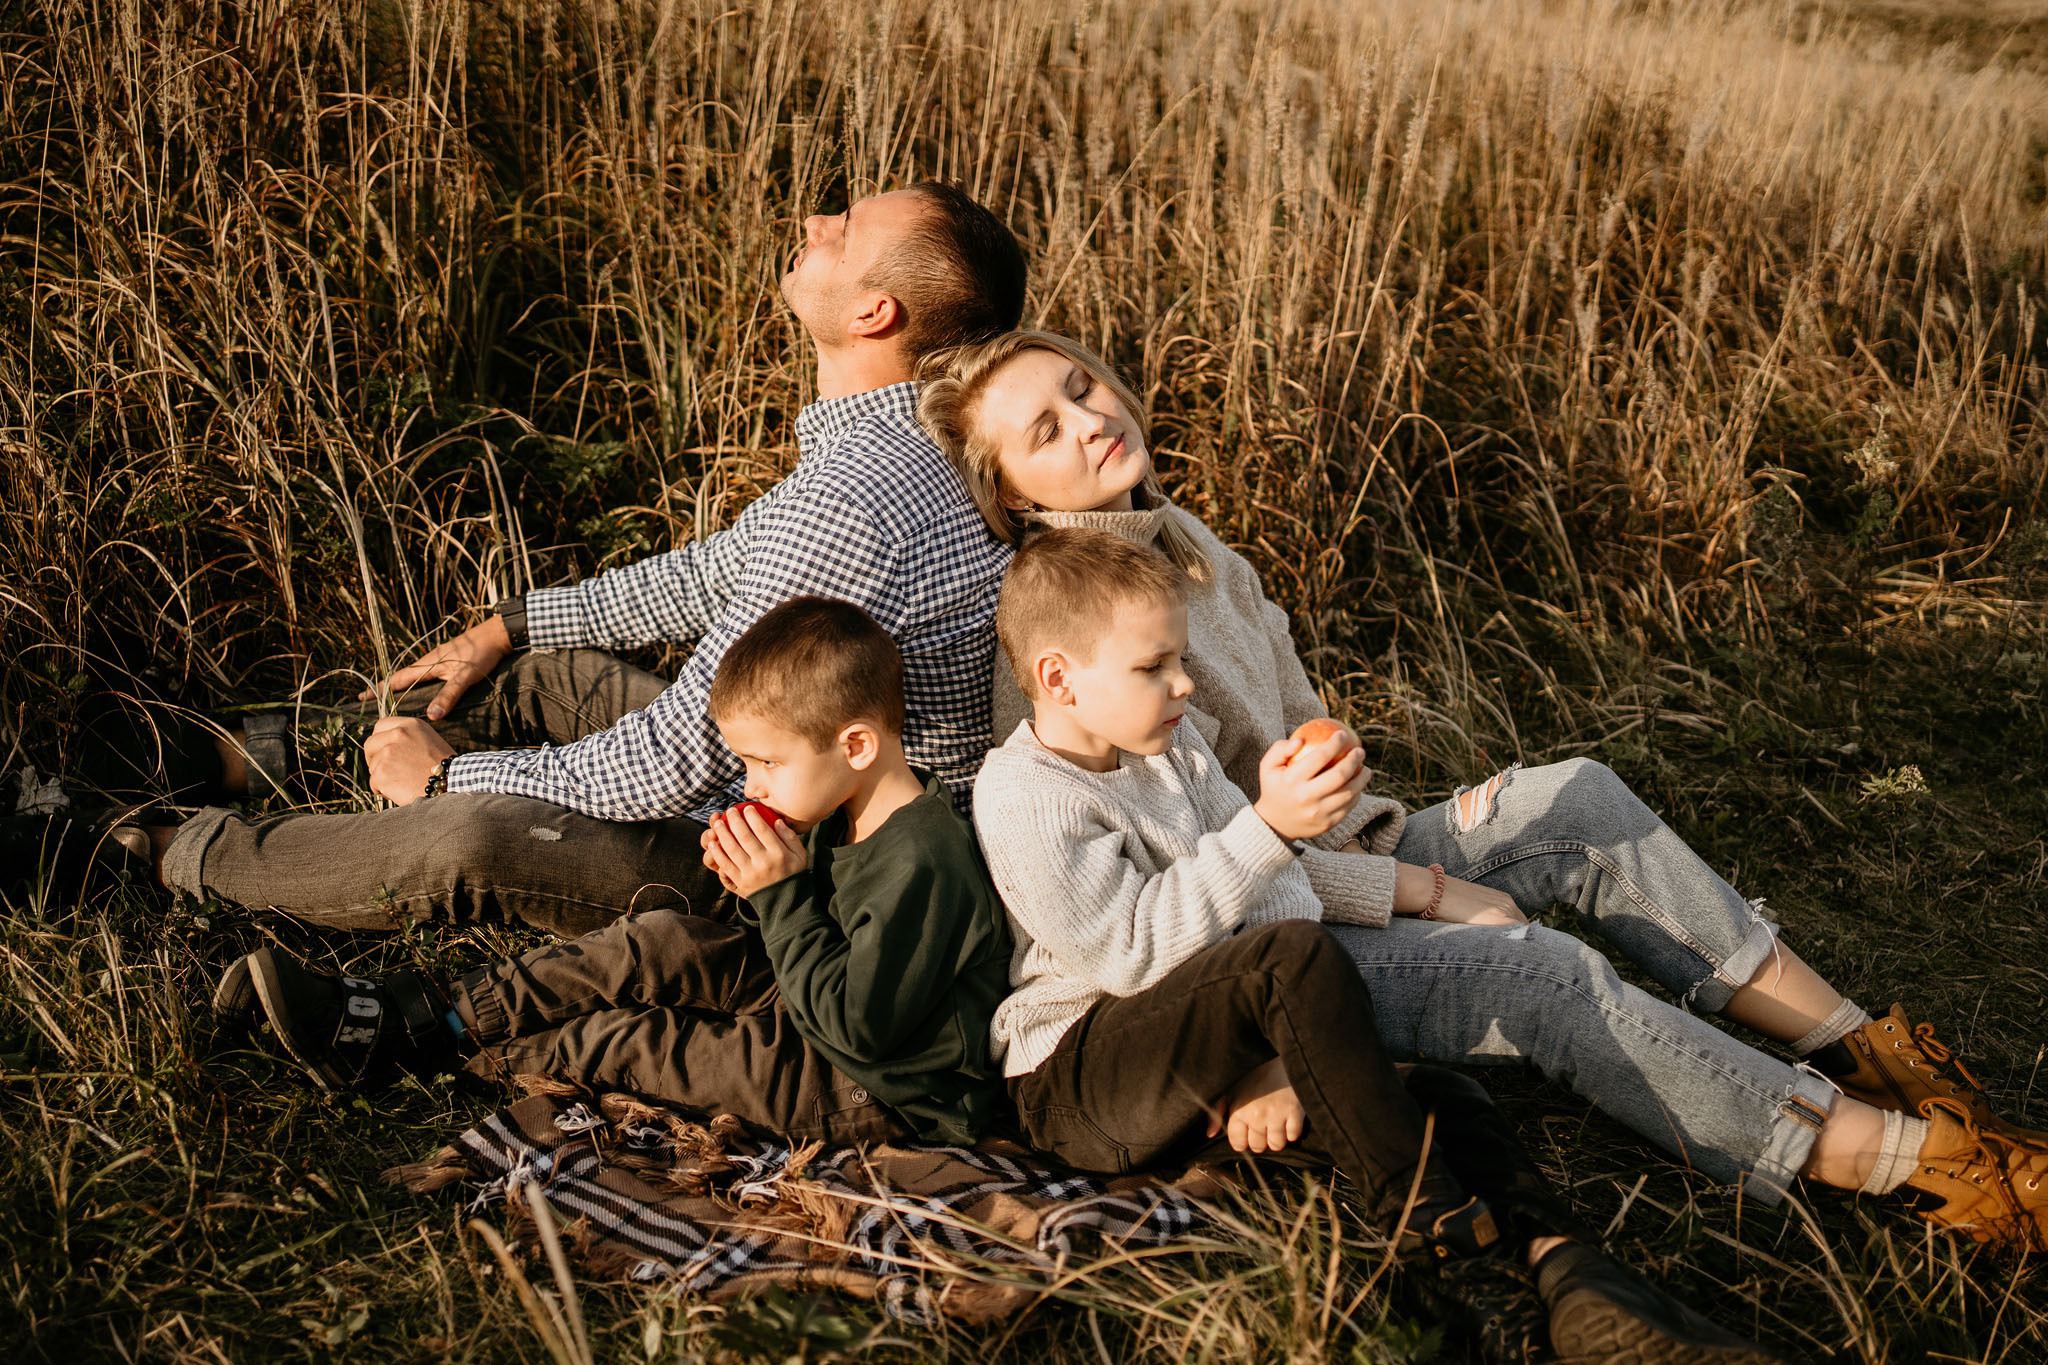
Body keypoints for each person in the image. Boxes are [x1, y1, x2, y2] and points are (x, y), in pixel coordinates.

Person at [916, 328, 2048, 1251]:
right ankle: (1894, 1162)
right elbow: (1211, 901)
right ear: (1010, 494)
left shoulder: (1180, 541)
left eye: (1082, 385)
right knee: (1541, 970)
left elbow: (1277, 785)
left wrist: (1393, 850)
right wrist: (1414, 892)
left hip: (1332, 865)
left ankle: (1866, 1051)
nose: (1092, 417)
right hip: (1268, 937)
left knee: (1576, 799)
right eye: (1046, 430)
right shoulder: (1077, 663)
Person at [57, 181, 1028, 937]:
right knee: (542, 672)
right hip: (769, 791)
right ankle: (233, 755)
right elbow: (709, 574)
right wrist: (507, 625)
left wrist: (451, 784)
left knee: (472, 837)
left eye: (843, 231)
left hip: (790, 868)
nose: (815, 220)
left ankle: (151, 851)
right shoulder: (895, 447)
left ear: (875, 314)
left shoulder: (856, 500)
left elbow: (672, 764)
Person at [974, 529, 1779, 1362]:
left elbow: (1283, 897)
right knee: (1294, 961)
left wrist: (1270, 1036)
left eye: (1179, 656)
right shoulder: (1026, 793)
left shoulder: (1171, 744)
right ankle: (1439, 1248)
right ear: (1057, 678)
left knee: (1445, 1093)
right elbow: (1132, 955)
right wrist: (1267, 832)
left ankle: (1571, 1274)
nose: (1182, 681)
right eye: (1153, 667)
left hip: (1199, 1040)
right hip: (1079, 1075)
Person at [227, 598, 1013, 1147]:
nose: (753, 786)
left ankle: (436, 1056)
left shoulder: (923, 861)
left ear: (858, 746)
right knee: (659, 939)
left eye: (766, 764)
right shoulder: (841, 808)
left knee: (638, 1043)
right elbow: (810, 943)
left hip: (871, 1084)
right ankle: (422, 1012)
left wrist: (780, 895)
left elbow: (860, 1026)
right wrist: (763, 887)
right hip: (808, 992)